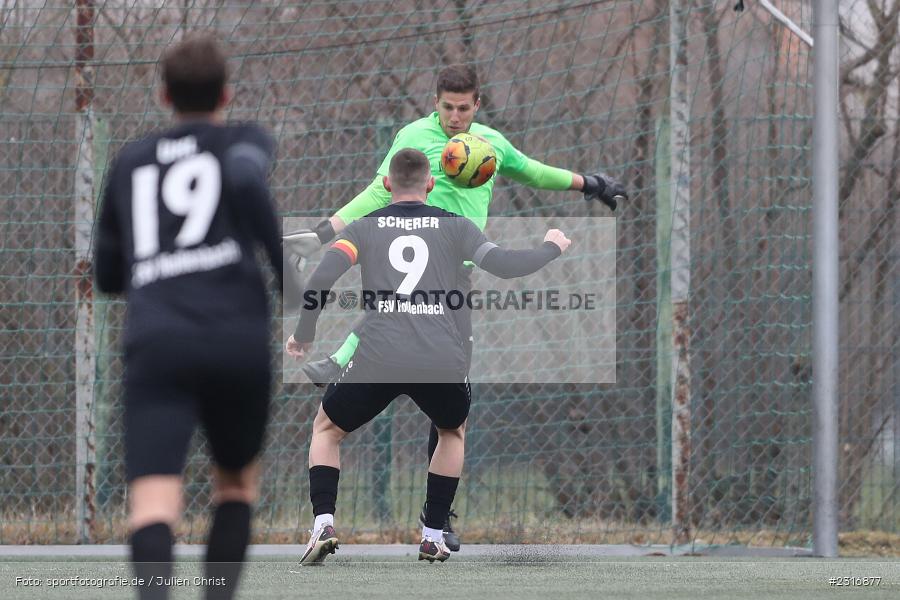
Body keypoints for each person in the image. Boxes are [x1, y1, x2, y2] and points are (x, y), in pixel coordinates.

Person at [283, 63, 626, 550]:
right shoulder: (413, 137)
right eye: (447, 107)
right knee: (446, 404)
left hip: (456, 279)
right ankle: (433, 522)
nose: (455, 117)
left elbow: (531, 171)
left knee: (434, 404)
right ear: (436, 102)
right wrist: (321, 231)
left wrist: (587, 183)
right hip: (436, 282)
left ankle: (430, 517)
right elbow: (376, 192)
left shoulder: (490, 145)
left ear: (477, 105)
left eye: (464, 108)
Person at [285, 148, 571, 564]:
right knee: (452, 430)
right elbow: (505, 265)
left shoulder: (364, 228)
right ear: (432, 183)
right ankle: (433, 535)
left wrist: (304, 333)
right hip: (440, 356)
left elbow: (322, 278)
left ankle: (323, 524)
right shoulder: (456, 227)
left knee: (327, 429)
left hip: (379, 355)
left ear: (386, 185)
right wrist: (551, 247)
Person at [94, 34, 287, 600]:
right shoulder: (246, 140)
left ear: (163, 96)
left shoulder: (129, 162)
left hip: (158, 342)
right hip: (237, 337)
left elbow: (108, 276)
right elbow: (248, 177)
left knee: (154, 500)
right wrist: (289, 276)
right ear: (227, 94)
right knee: (235, 486)